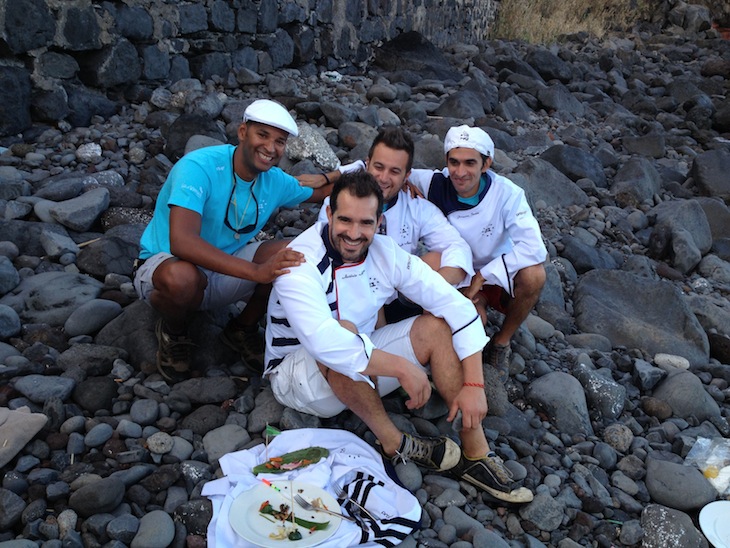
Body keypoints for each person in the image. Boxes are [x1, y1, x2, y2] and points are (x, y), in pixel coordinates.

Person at [263, 170, 533, 503]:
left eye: (365, 223)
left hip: (364, 364)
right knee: (344, 333)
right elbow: (325, 342)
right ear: (329, 214)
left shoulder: (385, 252)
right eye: (345, 220)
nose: (353, 234)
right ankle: (394, 441)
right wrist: (403, 368)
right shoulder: (301, 260)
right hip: (297, 378)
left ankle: (476, 455)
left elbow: (455, 307)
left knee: (436, 324)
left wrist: (475, 384)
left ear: (380, 222)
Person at [133, 99, 332, 379]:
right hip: (167, 265)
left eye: (279, 141)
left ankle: (242, 329)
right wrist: (256, 272)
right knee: (183, 279)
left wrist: (355, 176)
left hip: (222, 273)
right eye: (262, 135)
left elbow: (328, 192)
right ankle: (173, 333)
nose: (271, 148)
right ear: (242, 132)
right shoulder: (199, 167)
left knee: (297, 252)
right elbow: (182, 242)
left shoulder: (274, 180)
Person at [408, 125, 547, 383]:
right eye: (454, 162)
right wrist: (328, 180)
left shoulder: (507, 194)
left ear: (486, 164)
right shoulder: (434, 184)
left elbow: (535, 248)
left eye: (470, 163)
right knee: (471, 320)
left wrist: (483, 276)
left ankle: (501, 342)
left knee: (534, 275)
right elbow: (382, 170)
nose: (460, 172)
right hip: (456, 270)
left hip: (495, 275)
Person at [310, 126, 473, 323]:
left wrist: (434, 286)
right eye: (379, 167)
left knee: (438, 261)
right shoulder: (338, 204)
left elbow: (457, 246)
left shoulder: (417, 207)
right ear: (367, 165)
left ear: (407, 176)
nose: (384, 178)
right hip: (348, 299)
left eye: (394, 171)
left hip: (398, 297)